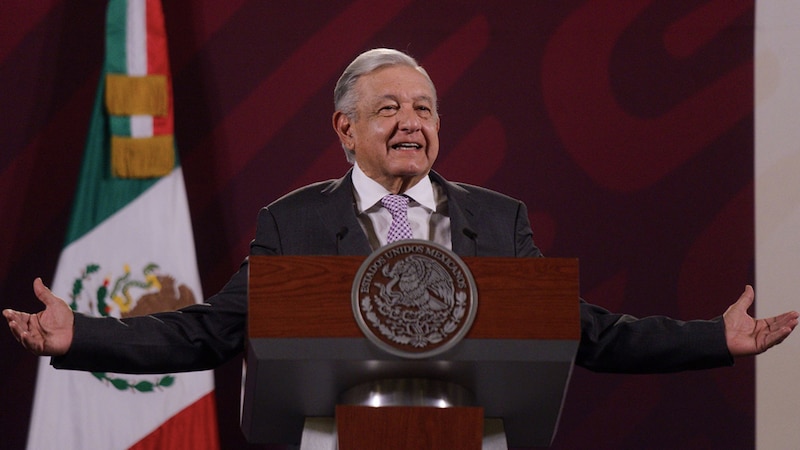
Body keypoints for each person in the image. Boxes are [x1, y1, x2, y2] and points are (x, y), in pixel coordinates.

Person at [4, 48, 798, 377]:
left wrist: (714, 342)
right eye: (388, 108)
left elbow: (585, 332)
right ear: (346, 131)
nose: (411, 121)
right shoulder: (295, 224)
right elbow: (210, 329)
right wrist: (83, 336)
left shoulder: (497, 220)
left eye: (423, 107)